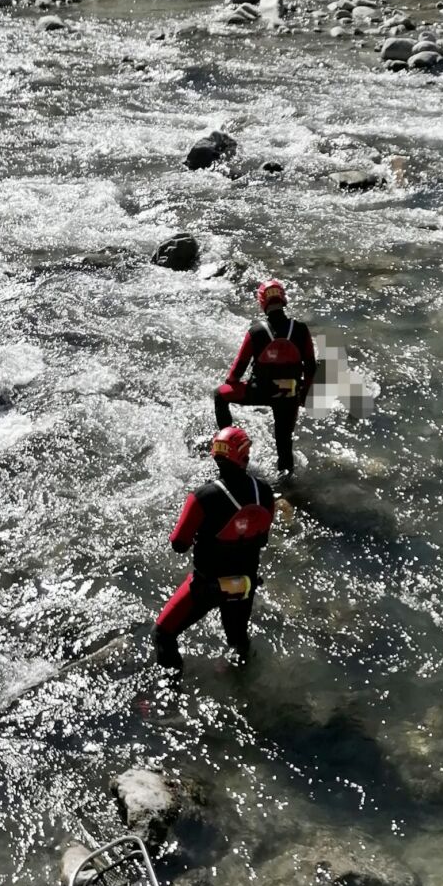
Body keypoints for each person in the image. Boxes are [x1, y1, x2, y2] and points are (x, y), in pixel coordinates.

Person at [153, 426, 274, 670]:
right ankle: (242, 682)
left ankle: (172, 689)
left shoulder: (202, 497)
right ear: (244, 456)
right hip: (244, 584)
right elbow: (262, 539)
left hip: (207, 586)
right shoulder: (264, 492)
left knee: (162, 634)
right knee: (238, 641)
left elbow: (179, 544)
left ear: (215, 455)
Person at [214, 279, 316, 477]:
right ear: (283, 299)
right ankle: (288, 485)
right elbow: (311, 367)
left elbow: (237, 371)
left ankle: (229, 443)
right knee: (284, 443)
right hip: (289, 394)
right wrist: (303, 395)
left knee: (219, 394)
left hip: (259, 391)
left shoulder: (256, 332)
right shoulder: (301, 330)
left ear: (262, 302)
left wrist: (232, 383)